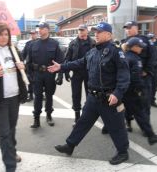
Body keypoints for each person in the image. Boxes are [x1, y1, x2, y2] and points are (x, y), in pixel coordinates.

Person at [48, 22, 130, 165]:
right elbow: (79, 63)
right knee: (82, 123)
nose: (96, 34)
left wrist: (117, 93)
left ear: (109, 35)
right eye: (95, 32)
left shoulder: (116, 52)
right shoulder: (93, 51)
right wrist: (61, 67)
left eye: (99, 32)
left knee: (116, 127)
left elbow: (124, 76)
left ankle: (123, 152)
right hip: (93, 98)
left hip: (109, 99)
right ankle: (70, 146)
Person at [0, 22, 27, 172]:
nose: (4, 37)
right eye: (0, 34)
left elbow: (22, 69)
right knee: (4, 133)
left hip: (14, 96)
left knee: (11, 129)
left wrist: (23, 66)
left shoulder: (14, 50)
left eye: (6, 34)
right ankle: (10, 167)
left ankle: (12, 152)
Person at [121, 37, 157, 144]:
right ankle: (151, 136)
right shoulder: (135, 59)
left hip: (124, 90)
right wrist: (140, 90)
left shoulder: (125, 56)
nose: (141, 49)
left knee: (119, 110)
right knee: (140, 114)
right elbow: (136, 77)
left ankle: (107, 128)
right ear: (134, 47)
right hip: (132, 92)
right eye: (140, 47)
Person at [28, 22, 64, 128]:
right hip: (37, 74)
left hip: (50, 73)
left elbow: (60, 61)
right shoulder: (33, 44)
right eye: (39, 28)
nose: (40, 30)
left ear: (47, 30)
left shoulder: (54, 44)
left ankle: (49, 116)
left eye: (42, 28)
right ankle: (36, 119)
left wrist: (60, 75)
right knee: (38, 97)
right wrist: (29, 75)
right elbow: (28, 62)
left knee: (49, 96)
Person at [122, 21, 155, 126]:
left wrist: (146, 70)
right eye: (126, 28)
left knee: (145, 102)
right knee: (127, 102)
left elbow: (152, 56)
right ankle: (128, 122)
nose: (127, 30)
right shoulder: (124, 42)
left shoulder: (145, 40)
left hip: (143, 77)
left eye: (129, 28)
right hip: (129, 78)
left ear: (136, 28)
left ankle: (146, 125)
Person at [65, 24, 95, 126]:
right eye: (79, 30)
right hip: (77, 72)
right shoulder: (73, 43)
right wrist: (66, 72)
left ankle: (88, 116)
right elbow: (67, 58)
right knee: (76, 95)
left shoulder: (93, 43)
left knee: (90, 95)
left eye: (83, 30)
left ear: (87, 31)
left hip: (89, 73)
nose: (81, 32)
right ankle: (77, 117)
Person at [22, 30, 38, 102]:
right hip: (30, 66)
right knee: (30, 81)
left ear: (37, 34)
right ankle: (30, 95)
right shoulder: (28, 44)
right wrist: (21, 61)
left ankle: (41, 94)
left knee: (39, 81)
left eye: (34, 34)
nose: (32, 35)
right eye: (31, 34)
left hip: (38, 66)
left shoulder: (40, 42)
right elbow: (23, 54)